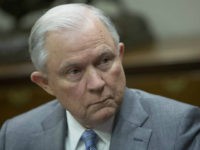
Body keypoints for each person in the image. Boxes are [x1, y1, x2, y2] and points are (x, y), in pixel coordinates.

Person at [0, 3, 200, 150]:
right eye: (74, 71)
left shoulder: (180, 129)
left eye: (104, 61)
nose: (97, 83)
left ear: (119, 55)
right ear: (45, 83)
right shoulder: (15, 137)